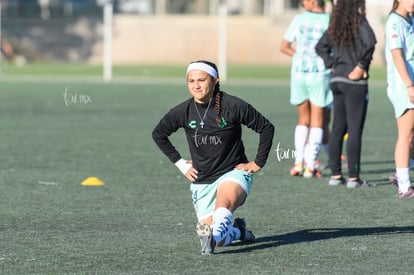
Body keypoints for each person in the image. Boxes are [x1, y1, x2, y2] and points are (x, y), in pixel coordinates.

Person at [152, 60, 275, 255]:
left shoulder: (233, 105)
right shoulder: (182, 111)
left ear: (215, 80)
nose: (196, 85)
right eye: (191, 81)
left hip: (233, 173)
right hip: (202, 180)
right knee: (221, 238)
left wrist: (258, 162)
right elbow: (159, 134)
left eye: (201, 80)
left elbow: (266, 127)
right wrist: (182, 164)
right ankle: (237, 232)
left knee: (223, 204)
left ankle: (211, 240)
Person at [315, 0, 376, 188]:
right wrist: (361, 65)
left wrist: (333, 64)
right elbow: (371, 42)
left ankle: (335, 175)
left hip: (337, 81)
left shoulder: (336, 23)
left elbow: (320, 47)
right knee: (354, 129)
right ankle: (353, 178)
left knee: (338, 127)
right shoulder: (359, 21)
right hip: (354, 82)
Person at [280, 0, 333, 178]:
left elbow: (284, 46)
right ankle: (311, 166)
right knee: (318, 120)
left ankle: (298, 163)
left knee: (303, 119)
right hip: (320, 73)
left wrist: (300, 56)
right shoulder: (330, 21)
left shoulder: (299, 19)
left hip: (299, 72)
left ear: (312, 2)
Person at [385, 0, 414, 198]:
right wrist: (409, 85)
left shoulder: (409, 19)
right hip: (403, 86)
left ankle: (400, 172)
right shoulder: (394, 22)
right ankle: (403, 185)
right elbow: (397, 56)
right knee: (406, 134)